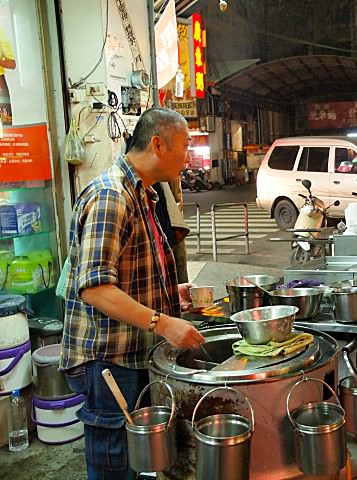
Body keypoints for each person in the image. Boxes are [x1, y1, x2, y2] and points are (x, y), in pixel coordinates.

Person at [60, 108, 206, 480]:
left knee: (137, 463)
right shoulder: (112, 196)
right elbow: (94, 288)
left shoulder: (142, 194)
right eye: (185, 146)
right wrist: (162, 322)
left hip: (131, 354)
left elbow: (125, 275)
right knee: (115, 465)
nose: (188, 156)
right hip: (108, 360)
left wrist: (172, 294)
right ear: (158, 144)